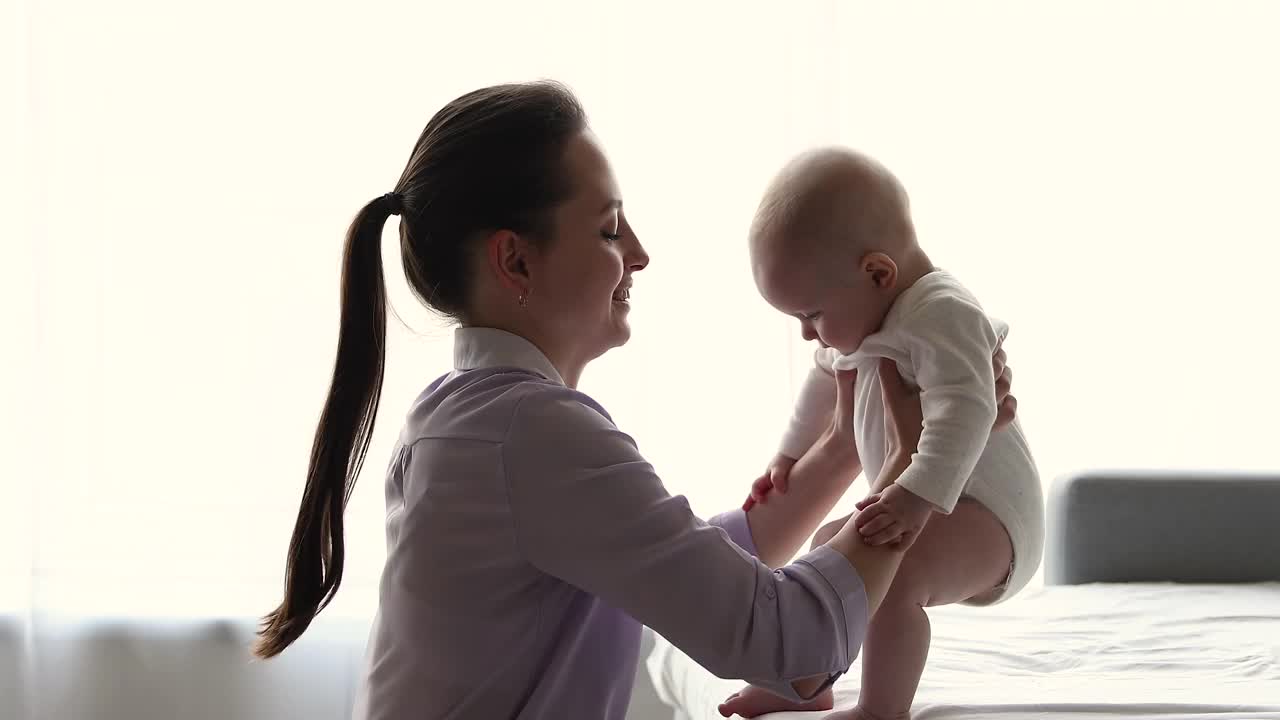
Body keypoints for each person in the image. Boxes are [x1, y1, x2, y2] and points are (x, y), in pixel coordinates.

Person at [251, 82, 1018, 720]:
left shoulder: (473, 416)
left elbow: (676, 563)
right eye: (610, 227)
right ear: (515, 259)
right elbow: (787, 636)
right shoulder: (530, 433)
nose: (641, 253)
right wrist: (909, 489)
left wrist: (861, 428)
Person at [721, 148, 1044, 720]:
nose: (807, 335)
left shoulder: (940, 314)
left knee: (899, 577)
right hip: (929, 500)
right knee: (828, 552)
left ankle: (882, 709)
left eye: (811, 315)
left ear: (877, 273)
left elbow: (969, 409)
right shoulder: (861, 318)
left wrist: (915, 498)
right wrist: (788, 453)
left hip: (988, 517)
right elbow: (820, 391)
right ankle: (805, 682)